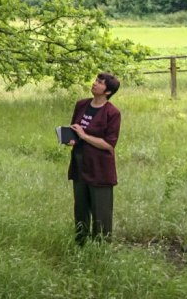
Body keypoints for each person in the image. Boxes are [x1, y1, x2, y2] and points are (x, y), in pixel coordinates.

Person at [67, 72, 120, 245]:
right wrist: (71, 137)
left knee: (101, 211)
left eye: (100, 82)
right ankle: (80, 243)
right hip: (80, 164)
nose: (95, 83)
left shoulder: (112, 113)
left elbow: (109, 144)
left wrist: (84, 136)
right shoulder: (81, 104)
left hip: (100, 168)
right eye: (96, 80)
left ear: (107, 92)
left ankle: (101, 247)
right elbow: (76, 130)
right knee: (80, 208)